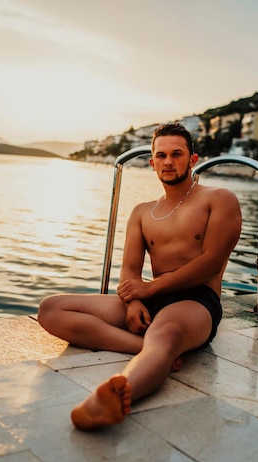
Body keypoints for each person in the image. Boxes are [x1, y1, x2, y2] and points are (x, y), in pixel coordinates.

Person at [38, 122, 242, 431]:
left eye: (177, 154)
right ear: (152, 162)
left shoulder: (219, 199)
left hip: (196, 301)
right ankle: (144, 349)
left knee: (166, 335)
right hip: (150, 296)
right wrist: (133, 302)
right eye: (161, 155)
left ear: (193, 159)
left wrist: (147, 290)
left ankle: (115, 395)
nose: (168, 162)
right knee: (51, 309)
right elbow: (130, 269)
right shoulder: (143, 211)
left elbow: (211, 263)